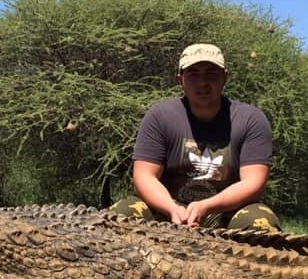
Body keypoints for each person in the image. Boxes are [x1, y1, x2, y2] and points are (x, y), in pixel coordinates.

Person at [110, 43, 280, 231]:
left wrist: (206, 206)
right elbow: (144, 175)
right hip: (169, 210)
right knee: (120, 215)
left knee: (261, 222)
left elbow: (253, 182)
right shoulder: (159, 116)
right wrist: (172, 208)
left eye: (211, 73)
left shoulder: (250, 119)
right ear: (180, 79)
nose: (202, 82)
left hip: (226, 212)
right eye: (193, 74)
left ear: (225, 77)